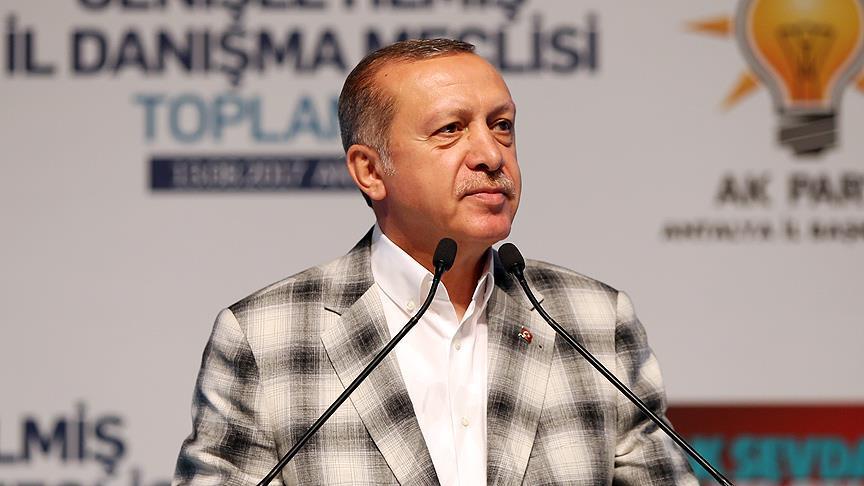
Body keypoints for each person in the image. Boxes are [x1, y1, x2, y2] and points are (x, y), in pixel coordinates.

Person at [173, 38, 697, 485]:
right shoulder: (265, 337)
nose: (491, 155)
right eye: (450, 129)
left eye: (502, 125)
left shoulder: (594, 320)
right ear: (370, 171)